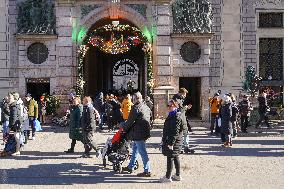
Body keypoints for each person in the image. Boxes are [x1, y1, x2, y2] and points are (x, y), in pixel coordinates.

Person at [121, 92, 152, 177]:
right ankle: (130, 166)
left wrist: (123, 129)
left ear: (135, 99)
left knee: (142, 151)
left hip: (138, 133)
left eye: (133, 99)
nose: (132, 100)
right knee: (135, 149)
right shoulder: (146, 106)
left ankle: (148, 170)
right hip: (145, 132)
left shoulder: (135, 108)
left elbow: (129, 122)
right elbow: (151, 119)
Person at [160, 100, 183, 183]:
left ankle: (167, 177)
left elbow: (175, 132)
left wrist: (171, 143)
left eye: (171, 106)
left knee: (170, 158)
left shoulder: (176, 116)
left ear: (175, 106)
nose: (169, 107)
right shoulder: (172, 115)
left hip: (174, 141)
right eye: (168, 105)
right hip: (174, 140)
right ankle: (178, 175)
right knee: (175, 156)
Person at [173, 88, 192, 153]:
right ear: (181, 93)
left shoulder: (181, 99)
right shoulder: (175, 100)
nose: (185, 96)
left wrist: (186, 108)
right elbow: (177, 111)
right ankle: (179, 148)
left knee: (186, 132)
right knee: (179, 134)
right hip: (178, 119)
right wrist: (185, 108)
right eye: (184, 94)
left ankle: (186, 147)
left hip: (183, 118)